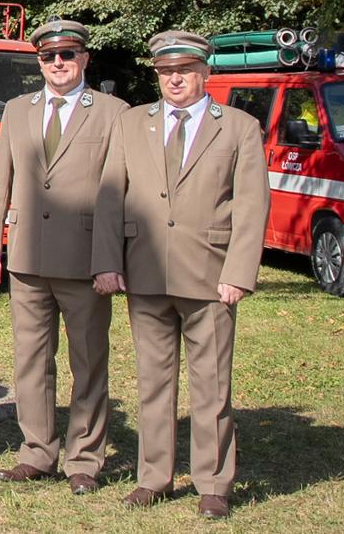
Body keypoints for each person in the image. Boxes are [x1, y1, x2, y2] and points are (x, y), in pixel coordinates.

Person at [92, 31, 267, 520]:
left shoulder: (238, 127)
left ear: (205, 73)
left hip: (210, 275)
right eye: (167, 72)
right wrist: (106, 261)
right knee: (153, 381)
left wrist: (239, 272)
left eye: (185, 71)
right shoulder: (132, 123)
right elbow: (110, 194)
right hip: (144, 272)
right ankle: (154, 476)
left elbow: (252, 206)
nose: (175, 80)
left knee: (211, 384)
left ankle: (213, 482)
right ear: (157, 75)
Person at [0, 20, 128, 495]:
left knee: (89, 362)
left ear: (84, 59)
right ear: (38, 62)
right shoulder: (18, 110)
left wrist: (109, 260)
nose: (58, 64)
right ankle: (38, 452)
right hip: (26, 257)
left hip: (86, 260)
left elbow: (117, 192)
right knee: (31, 362)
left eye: (67, 55)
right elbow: (0, 180)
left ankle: (84, 459)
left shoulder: (112, 111)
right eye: (48, 57)